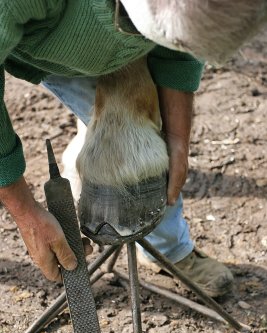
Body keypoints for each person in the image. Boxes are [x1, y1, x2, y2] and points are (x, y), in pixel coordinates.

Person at [1, 1, 265, 297]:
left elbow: (180, 47)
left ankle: (167, 249)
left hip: (115, 32)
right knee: (127, 152)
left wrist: (177, 140)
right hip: (44, 42)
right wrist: (26, 213)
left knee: (143, 147)